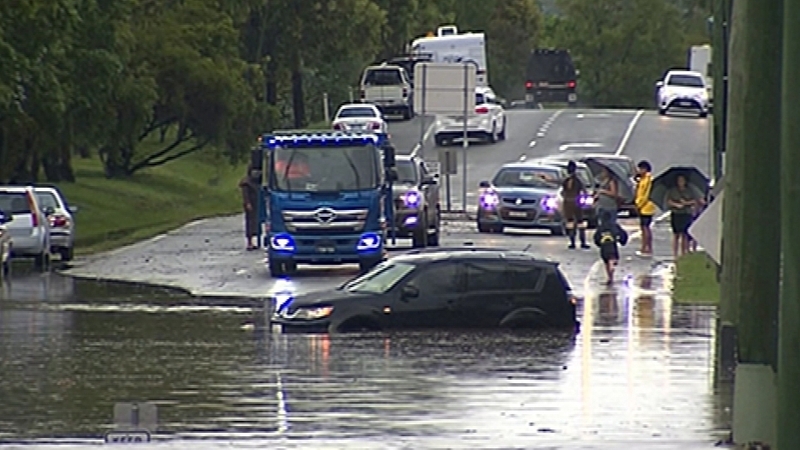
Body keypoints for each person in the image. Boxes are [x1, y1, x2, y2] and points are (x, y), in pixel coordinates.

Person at [665, 174, 699, 260]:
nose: (681, 182)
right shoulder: (672, 190)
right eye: (679, 180)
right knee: (676, 235)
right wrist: (676, 205)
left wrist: (686, 203)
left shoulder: (689, 190)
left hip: (686, 213)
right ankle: (675, 255)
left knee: (685, 235)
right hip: (676, 213)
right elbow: (668, 201)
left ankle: (684, 253)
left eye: (682, 180)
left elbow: (695, 201)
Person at [593, 210, 629, 285]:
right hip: (613, 245)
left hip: (604, 247)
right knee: (612, 258)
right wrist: (622, 242)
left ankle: (609, 277)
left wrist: (599, 244)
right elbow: (623, 234)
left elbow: (596, 237)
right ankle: (612, 268)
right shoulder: (615, 226)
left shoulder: (600, 227)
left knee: (606, 262)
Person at [561, 161, 590, 249]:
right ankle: (582, 242)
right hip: (577, 202)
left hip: (567, 202)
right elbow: (584, 191)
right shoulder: (578, 180)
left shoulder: (565, 180)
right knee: (580, 222)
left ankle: (572, 242)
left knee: (570, 222)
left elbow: (562, 190)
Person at [633, 160, 657, 257]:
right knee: (644, 227)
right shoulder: (642, 179)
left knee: (645, 228)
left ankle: (646, 248)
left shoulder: (648, 180)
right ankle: (646, 248)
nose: (638, 171)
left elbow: (645, 194)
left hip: (646, 207)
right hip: (644, 206)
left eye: (640, 169)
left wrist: (638, 205)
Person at [239, 165, 260, 250]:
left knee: (256, 223)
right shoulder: (246, 183)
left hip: (257, 204)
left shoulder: (256, 182)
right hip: (250, 204)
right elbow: (245, 194)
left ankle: (255, 241)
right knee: (250, 223)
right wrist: (247, 203)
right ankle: (249, 242)